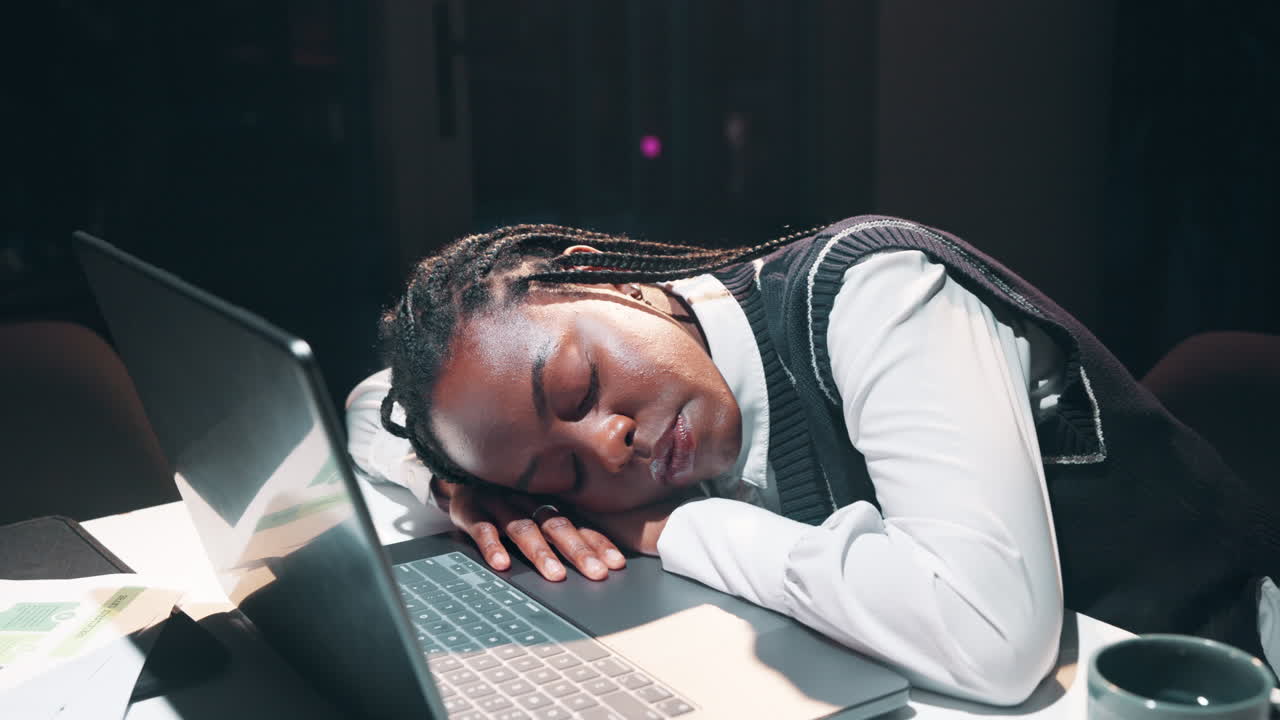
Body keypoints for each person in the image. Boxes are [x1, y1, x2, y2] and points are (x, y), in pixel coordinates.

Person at [345, 216, 1279, 705]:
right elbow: (369, 403)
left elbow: (991, 642)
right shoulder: (555, 422)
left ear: (609, 279)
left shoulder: (875, 294)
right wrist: (459, 486)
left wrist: (675, 528)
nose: (606, 445)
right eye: (562, 476)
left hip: (1215, 678)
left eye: (580, 387)